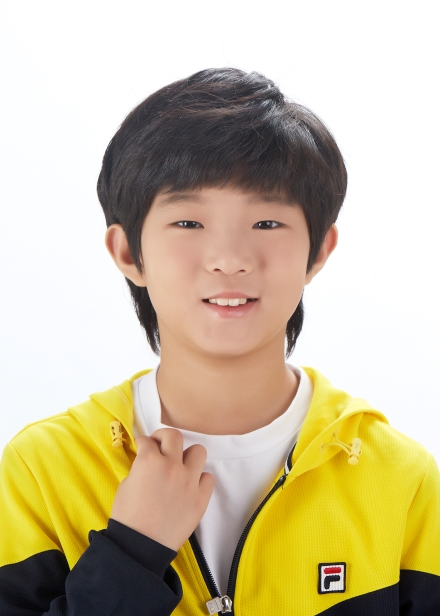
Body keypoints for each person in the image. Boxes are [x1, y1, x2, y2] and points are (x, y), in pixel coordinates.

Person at [0, 67, 439, 616]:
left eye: (267, 223)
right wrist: (132, 552)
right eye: (188, 223)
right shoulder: (43, 470)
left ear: (319, 252)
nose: (229, 258)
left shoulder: (400, 480)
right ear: (129, 253)